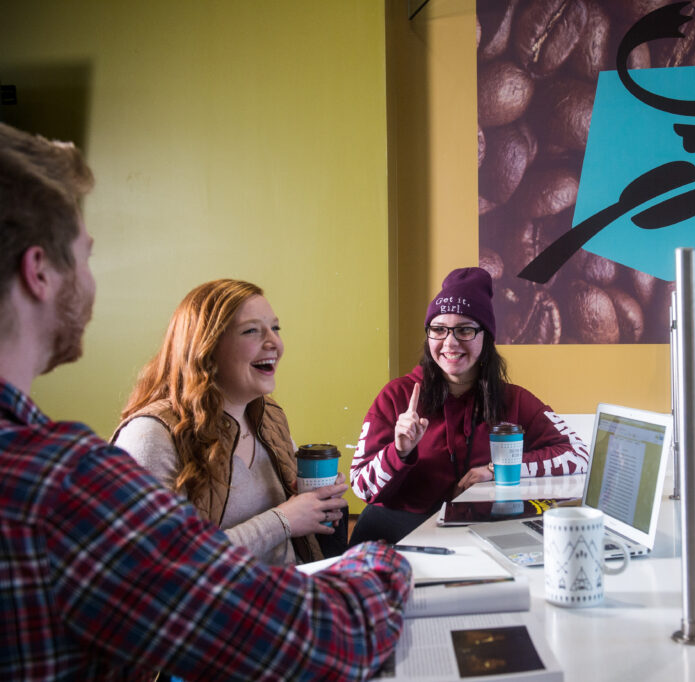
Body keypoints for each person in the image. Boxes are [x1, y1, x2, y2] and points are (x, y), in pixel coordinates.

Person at [0, 122, 410, 680]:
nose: (94, 282)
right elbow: (329, 640)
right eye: (87, 255)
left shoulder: (269, 422)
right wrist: (383, 553)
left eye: (276, 328)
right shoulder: (64, 483)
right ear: (39, 271)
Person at [112, 279, 347, 566]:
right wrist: (284, 520)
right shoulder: (151, 435)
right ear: (206, 349)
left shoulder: (269, 416)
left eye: (275, 328)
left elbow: (296, 522)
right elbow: (159, 564)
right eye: (251, 331)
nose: (274, 343)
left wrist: (318, 503)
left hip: (286, 591)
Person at [349, 267, 590, 544]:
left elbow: (578, 456)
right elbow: (361, 487)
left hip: (479, 539)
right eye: (438, 329)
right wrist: (399, 452)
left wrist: (497, 470)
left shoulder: (514, 399)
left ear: (485, 337)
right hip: (394, 542)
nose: (450, 343)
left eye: (464, 330)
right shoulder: (397, 395)